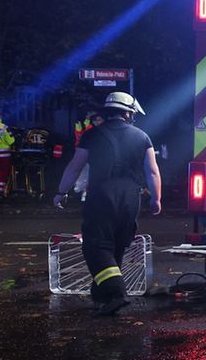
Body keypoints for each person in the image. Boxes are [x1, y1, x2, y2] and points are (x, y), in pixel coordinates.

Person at [53, 92, 162, 316]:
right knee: (117, 244)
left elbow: (75, 166)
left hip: (102, 194)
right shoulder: (142, 137)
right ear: (128, 113)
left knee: (96, 246)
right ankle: (102, 294)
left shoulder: (92, 135)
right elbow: (152, 171)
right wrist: (156, 198)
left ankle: (116, 293)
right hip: (131, 196)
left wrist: (61, 192)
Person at [17, 122, 52, 198]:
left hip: (30, 155)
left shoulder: (29, 132)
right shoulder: (46, 133)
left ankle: (30, 189)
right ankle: (39, 189)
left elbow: (24, 143)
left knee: (27, 170)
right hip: (41, 155)